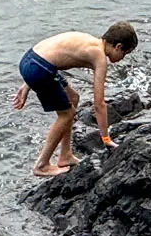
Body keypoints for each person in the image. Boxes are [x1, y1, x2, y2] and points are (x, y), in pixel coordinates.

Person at [13, 23, 138, 177]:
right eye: (125, 53)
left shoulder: (89, 40)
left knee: (73, 98)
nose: (122, 58)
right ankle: (42, 165)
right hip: (39, 68)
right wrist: (105, 138)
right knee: (66, 114)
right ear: (118, 47)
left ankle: (65, 155)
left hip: (29, 60)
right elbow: (99, 104)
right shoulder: (99, 57)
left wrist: (27, 83)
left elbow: (50, 50)